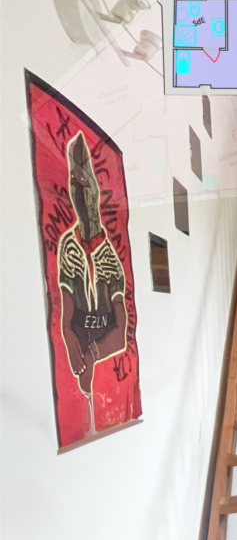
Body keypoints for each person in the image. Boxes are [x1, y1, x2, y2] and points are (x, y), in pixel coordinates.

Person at [56, 132, 128, 433]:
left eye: (84, 184)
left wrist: (92, 354)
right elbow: (67, 316)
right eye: (75, 184)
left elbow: (121, 333)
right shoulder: (69, 247)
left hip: (101, 354)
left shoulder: (108, 257)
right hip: (80, 357)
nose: (80, 192)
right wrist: (67, 333)